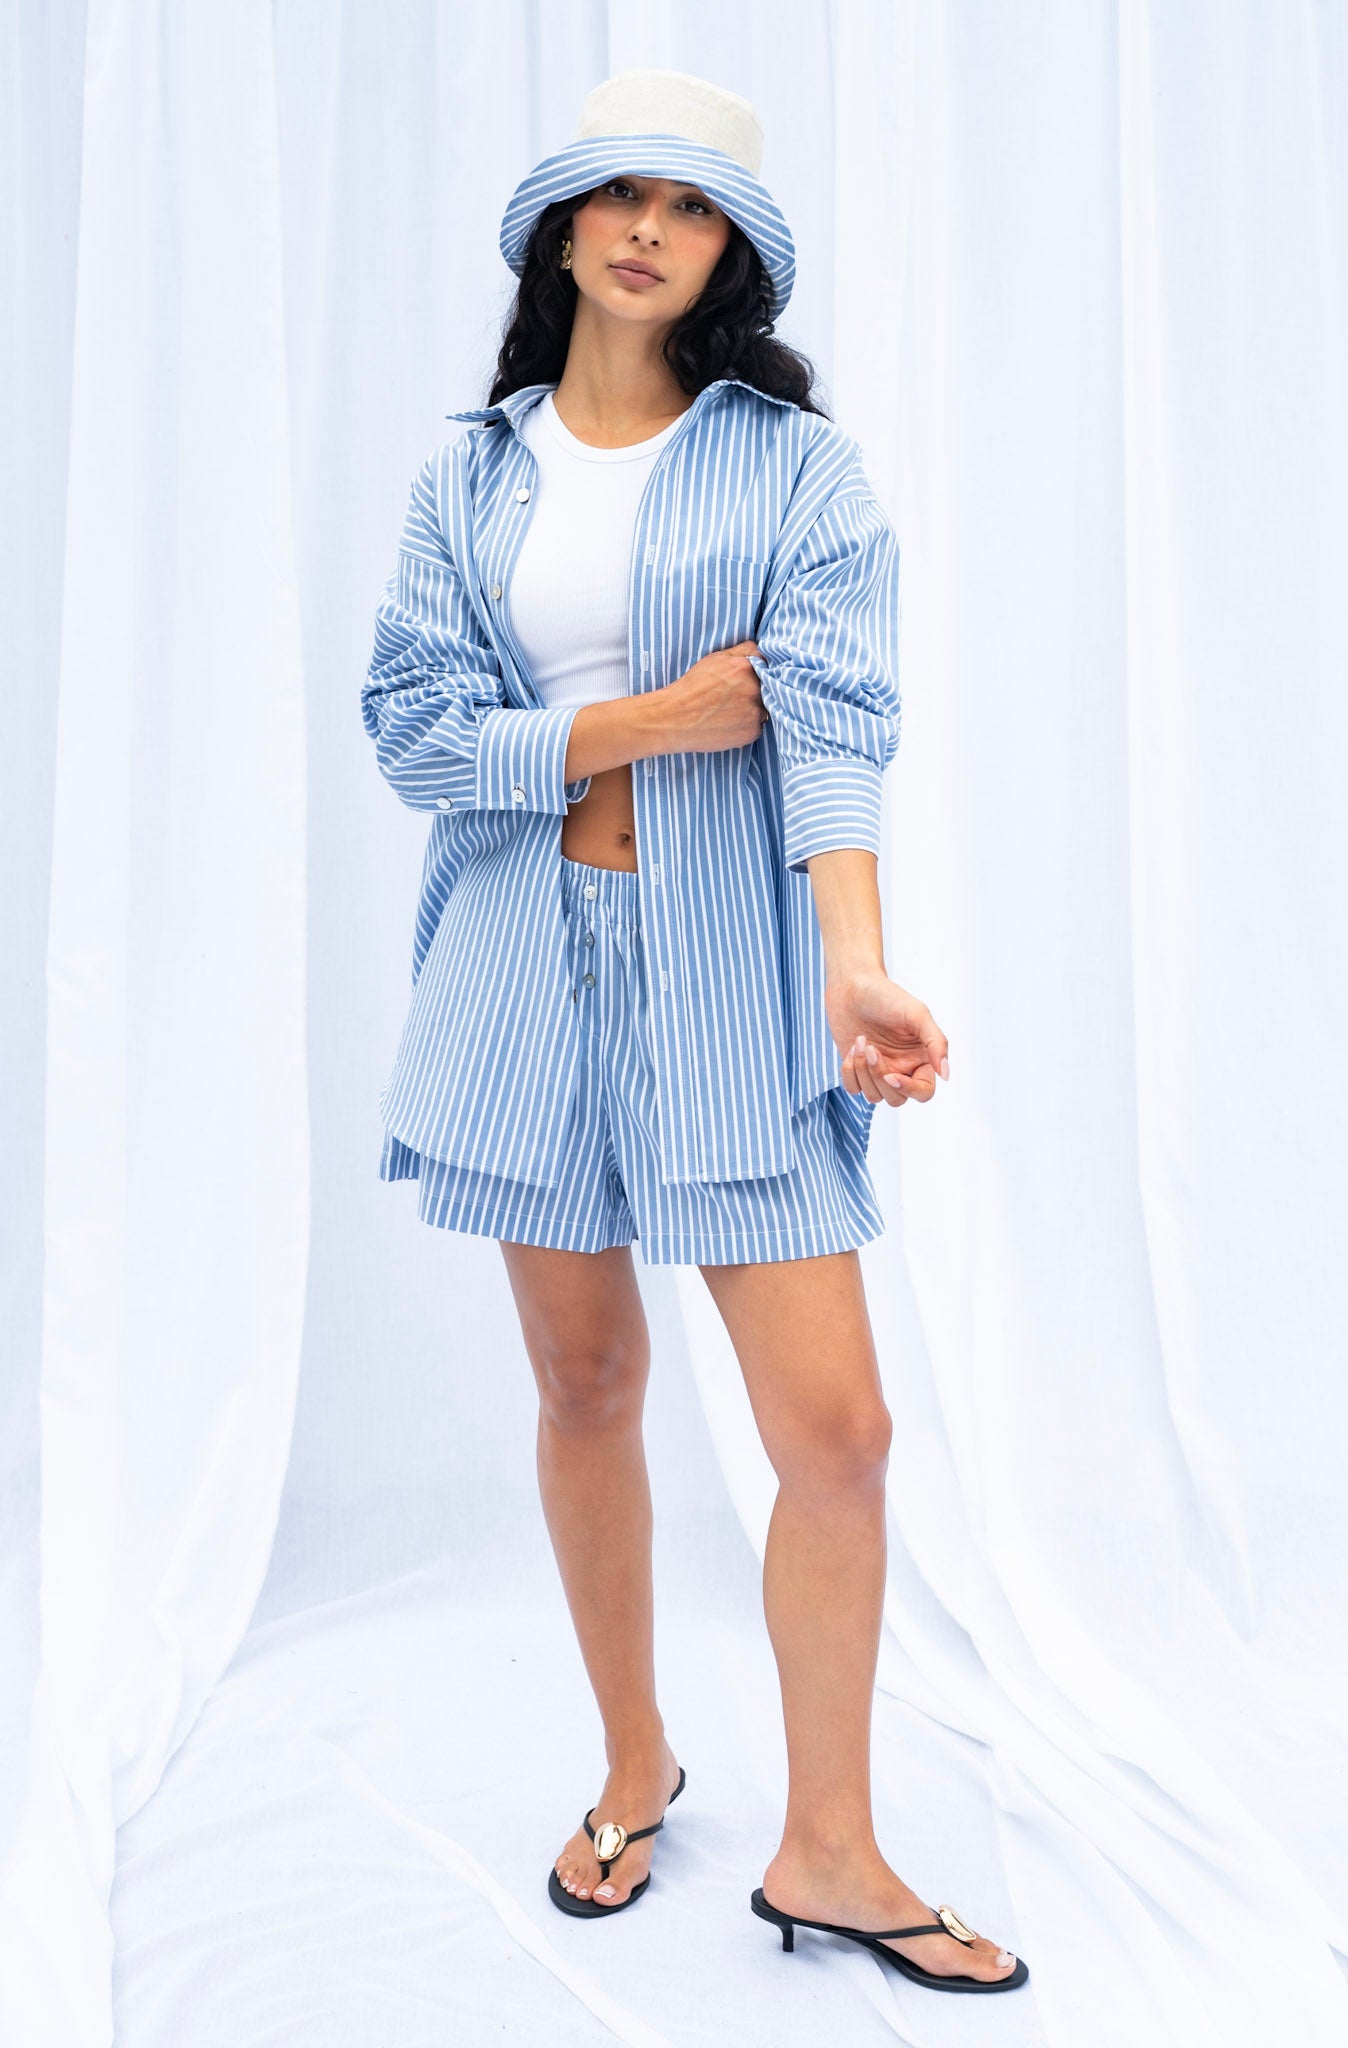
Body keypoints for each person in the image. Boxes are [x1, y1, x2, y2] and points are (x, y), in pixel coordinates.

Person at [362, 66, 1026, 1997]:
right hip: (510, 970)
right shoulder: (466, 479)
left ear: (728, 253)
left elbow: (834, 723)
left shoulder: (789, 470)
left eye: (693, 206)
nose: (648, 227)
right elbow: (411, 737)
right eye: (616, 194)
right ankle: (635, 1763)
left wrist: (857, 962)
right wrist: (638, 724)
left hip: (734, 972)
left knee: (837, 1431)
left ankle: (831, 1847)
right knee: (583, 1387)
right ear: (563, 229)